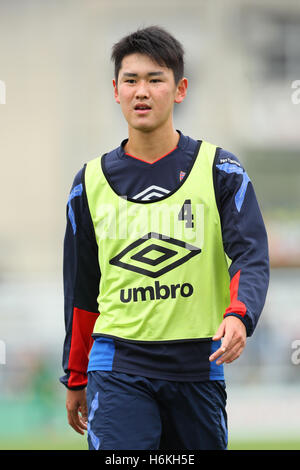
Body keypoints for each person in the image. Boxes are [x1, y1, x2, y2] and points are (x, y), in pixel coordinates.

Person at [60, 26, 269, 450]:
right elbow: (81, 290)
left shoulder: (221, 171)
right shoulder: (90, 183)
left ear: (180, 89)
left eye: (155, 79)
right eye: (130, 80)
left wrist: (238, 315)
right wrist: (76, 375)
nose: (142, 91)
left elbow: (250, 253)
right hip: (118, 363)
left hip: (197, 366)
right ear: (115, 90)